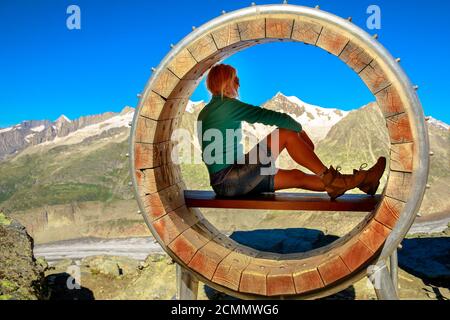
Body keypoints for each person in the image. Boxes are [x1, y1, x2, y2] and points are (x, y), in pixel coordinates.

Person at [196, 63, 386, 200]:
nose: (238, 84)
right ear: (226, 83)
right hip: (232, 177)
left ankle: (363, 181)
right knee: (285, 133)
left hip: (224, 183)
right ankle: (333, 178)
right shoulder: (227, 106)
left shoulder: (205, 112)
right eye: (235, 79)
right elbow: (276, 119)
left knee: (297, 176)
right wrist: (301, 133)